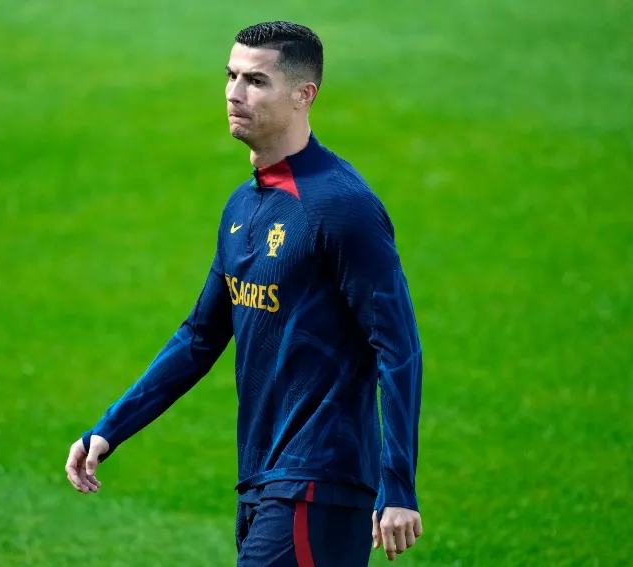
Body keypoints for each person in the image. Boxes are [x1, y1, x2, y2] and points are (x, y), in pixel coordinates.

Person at [65, 20, 424, 566]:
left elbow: (398, 347)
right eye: (231, 76)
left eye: (256, 81)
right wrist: (111, 428)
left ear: (304, 95)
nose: (235, 93)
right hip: (261, 479)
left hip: (319, 482)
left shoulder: (341, 206)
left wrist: (398, 485)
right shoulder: (243, 205)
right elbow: (199, 337)